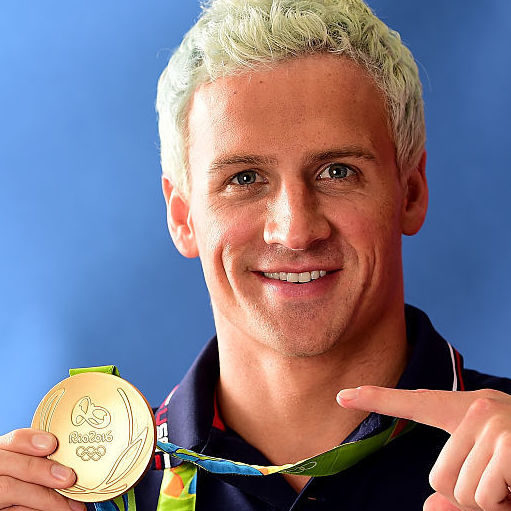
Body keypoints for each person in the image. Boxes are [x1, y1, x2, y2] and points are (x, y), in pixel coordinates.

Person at [1, 1, 511, 510]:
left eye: (337, 171)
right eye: (243, 179)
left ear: (412, 192)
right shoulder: (77, 497)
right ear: (183, 218)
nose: (295, 231)